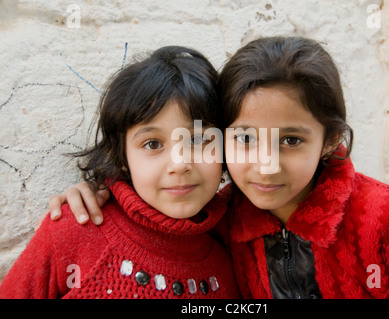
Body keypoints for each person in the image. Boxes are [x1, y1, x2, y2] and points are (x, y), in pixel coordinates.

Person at [42, 37, 389, 299]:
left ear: (329, 141)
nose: (265, 166)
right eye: (245, 138)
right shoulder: (223, 223)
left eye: (291, 140)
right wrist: (103, 186)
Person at [0, 46, 240, 299]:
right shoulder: (75, 230)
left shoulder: (232, 249)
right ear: (121, 156)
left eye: (198, 140)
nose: (179, 164)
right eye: (153, 144)